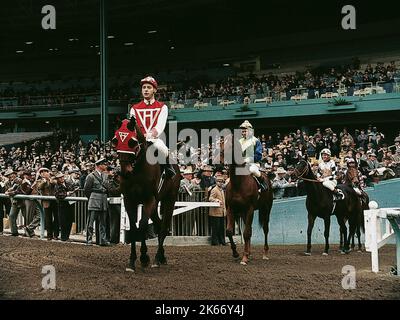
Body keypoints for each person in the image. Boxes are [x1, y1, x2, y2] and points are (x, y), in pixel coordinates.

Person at [129, 76, 175, 178]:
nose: (146, 89)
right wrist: (139, 136)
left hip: (154, 140)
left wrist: (148, 135)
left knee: (164, 149)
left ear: (154, 90)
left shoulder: (162, 107)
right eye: (144, 87)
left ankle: (168, 170)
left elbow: (160, 126)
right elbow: (132, 127)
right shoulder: (134, 108)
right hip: (138, 140)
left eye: (149, 87)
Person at [84, 158, 110, 246]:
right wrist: (91, 198)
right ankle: (89, 240)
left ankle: (103, 240)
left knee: (103, 222)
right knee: (90, 222)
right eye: (104, 164)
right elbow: (86, 190)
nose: (105, 166)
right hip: (94, 199)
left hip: (103, 200)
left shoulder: (105, 175)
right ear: (99, 166)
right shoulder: (91, 176)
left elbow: (107, 187)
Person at [238, 120, 268, 191]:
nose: (244, 133)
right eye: (243, 131)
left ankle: (262, 184)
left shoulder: (256, 141)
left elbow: (258, 155)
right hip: (240, 164)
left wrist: (247, 160)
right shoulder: (239, 141)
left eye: (246, 131)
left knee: (253, 170)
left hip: (253, 163)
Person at [37, 167, 59, 240]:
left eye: (45, 171)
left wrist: (49, 179)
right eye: (42, 172)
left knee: (56, 218)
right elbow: (39, 187)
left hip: (55, 201)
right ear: (40, 174)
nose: (44, 173)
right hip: (46, 202)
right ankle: (49, 235)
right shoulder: (39, 180)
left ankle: (56, 234)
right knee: (48, 219)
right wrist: (44, 181)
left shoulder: (52, 179)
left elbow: (55, 183)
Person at [54, 173, 77, 242]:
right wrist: (67, 193)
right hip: (62, 205)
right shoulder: (57, 186)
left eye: (62, 177)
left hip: (70, 204)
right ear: (57, 179)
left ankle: (67, 236)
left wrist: (72, 191)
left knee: (70, 220)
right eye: (60, 178)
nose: (62, 179)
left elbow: (72, 188)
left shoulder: (67, 183)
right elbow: (58, 195)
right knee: (63, 221)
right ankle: (64, 237)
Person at [208, 176, 226, 246]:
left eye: (221, 182)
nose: (220, 183)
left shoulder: (221, 190)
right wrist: (216, 200)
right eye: (219, 181)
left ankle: (222, 241)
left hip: (221, 212)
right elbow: (210, 198)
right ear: (216, 182)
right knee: (216, 228)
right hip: (215, 212)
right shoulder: (214, 189)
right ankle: (215, 242)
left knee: (221, 228)